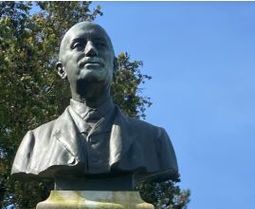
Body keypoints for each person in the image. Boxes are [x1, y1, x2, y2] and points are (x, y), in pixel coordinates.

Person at [11, 21, 178, 190]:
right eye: (78, 45)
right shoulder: (35, 142)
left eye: (100, 44)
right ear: (61, 70)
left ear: (115, 66)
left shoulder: (154, 140)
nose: (91, 50)